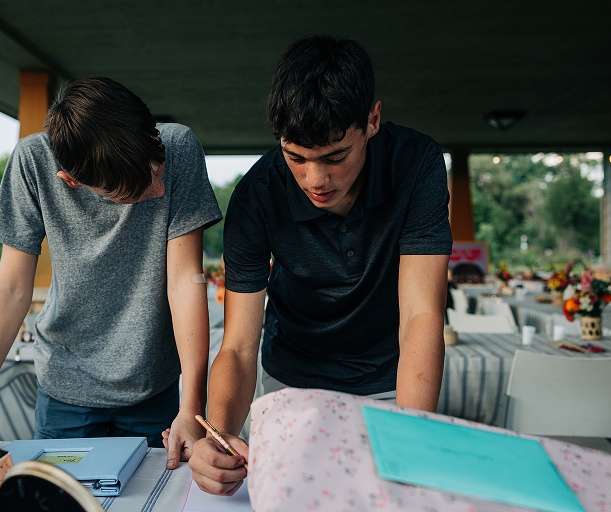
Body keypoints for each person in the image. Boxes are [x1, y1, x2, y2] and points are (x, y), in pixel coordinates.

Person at [188, 35, 453, 495]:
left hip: (393, 379)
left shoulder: (417, 164)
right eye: (297, 158)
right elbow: (237, 346)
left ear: (372, 120)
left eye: (335, 157)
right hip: (291, 385)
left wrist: (412, 436)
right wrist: (220, 434)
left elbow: (420, 317)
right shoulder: (256, 196)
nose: (316, 180)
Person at [0, 77, 222, 471]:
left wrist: (192, 407)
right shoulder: (33, 162)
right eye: (138, 188)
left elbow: (184, 281)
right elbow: (10, 287)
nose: (160, 187)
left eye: (157, 168)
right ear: (73, 181)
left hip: (152, 387)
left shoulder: (177, 145)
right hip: (64, 390)